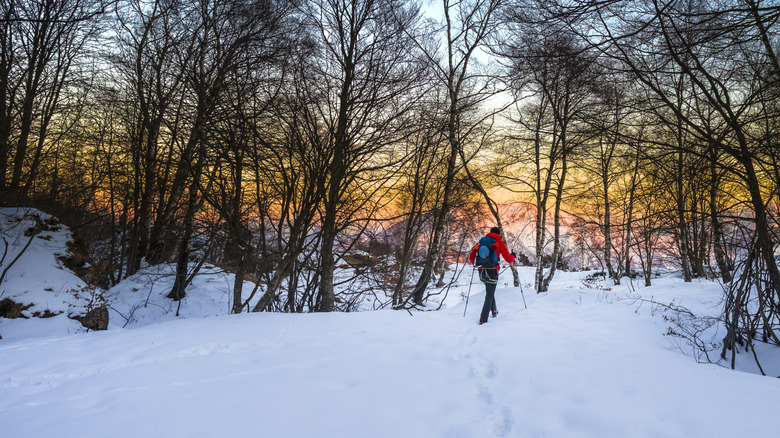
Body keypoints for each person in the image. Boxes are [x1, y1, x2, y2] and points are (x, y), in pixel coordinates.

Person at [468, 227, 515, 325]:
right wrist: (513, 256)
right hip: (492, 271)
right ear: (499, 234)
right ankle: (483, 319)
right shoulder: (499, 243)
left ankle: (494, 310)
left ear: (490, 233)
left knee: (490, 291)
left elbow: (471, 257)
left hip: (481, 271)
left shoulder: (481, 242)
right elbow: (509, 259)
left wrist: (479, 264)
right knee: (489, 294)